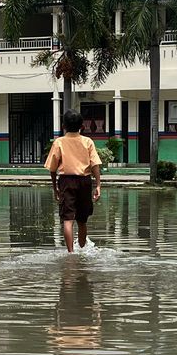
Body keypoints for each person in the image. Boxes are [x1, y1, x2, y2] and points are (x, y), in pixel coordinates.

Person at [45, 108, 102, 252]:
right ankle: (82, 250)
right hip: (85, 181)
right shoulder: (87, 141)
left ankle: (71, 253)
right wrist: (98, 185)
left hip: (66, 181)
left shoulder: (59, 142)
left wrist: (55, 188)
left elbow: (52, 169)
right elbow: (95, 164)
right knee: (82, 220)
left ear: (63, 126)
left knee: (67, 220)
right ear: (82, 126)